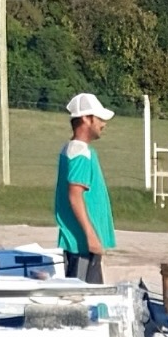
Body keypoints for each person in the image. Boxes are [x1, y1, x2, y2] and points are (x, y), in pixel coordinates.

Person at [54, 93, 116, 282]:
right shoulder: (79, 153)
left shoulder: (77, 150)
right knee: (82, 299)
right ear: (86, 119)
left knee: (92, 298)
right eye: (99, 119)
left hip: (84, 244)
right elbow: (75, 195)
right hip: (81, 245)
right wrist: (90, 235)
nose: (103, 124)